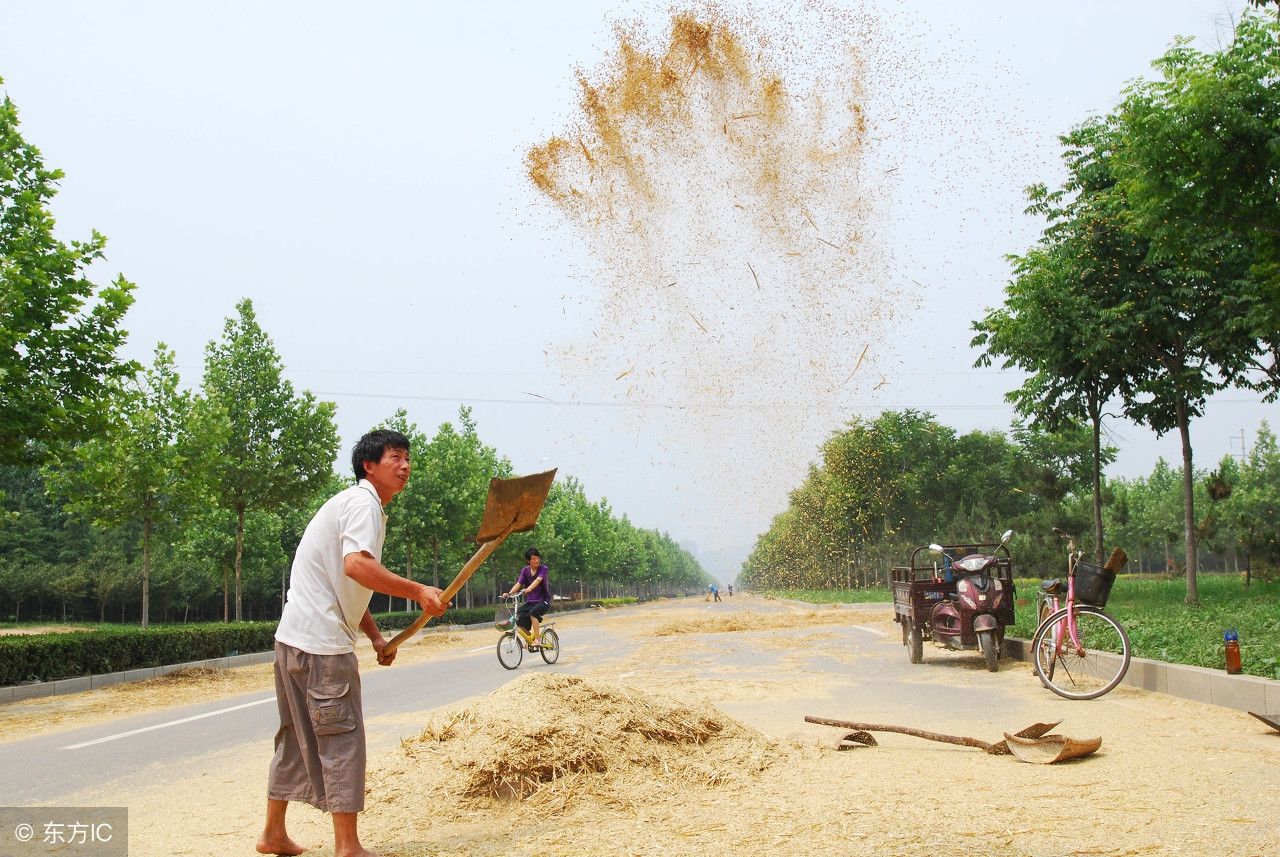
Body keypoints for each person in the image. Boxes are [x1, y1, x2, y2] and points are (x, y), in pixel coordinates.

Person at [258, 429, 447, 857]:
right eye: (395, 458)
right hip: (322, 648)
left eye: (407, 458)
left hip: (292, 640)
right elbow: (357, 567)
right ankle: (348, 846)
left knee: (294, 736)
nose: (405, 466)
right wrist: (418, 591)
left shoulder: (349, 503)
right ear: (369, 466)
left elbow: (344, 583)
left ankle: (273, 834)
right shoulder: (365, 506)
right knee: (341, 739)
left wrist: (377, 637)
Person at [505, 547, 550, 648]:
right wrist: (509, 593)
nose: (536, 560)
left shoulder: (543, 568)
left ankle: (537, 639)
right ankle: (530, 638)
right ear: (528, 561)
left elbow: (538, 580)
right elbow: (518, 584)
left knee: (533, 612)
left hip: (543, 601)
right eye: (533, 559)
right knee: (518, 617)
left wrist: (528, 589)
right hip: (531, 602)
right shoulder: (525, 570)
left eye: (537, 558)